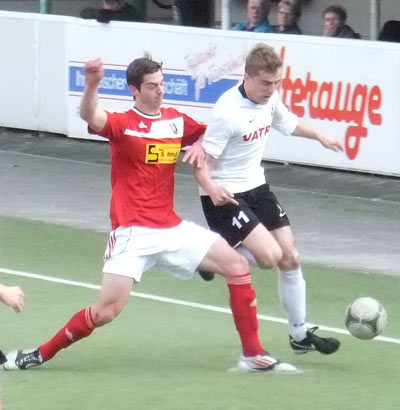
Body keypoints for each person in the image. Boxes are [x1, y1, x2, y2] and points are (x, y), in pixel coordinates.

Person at [3, 54, 296, 373]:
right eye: (152, 86)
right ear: (134, 90)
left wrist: (202, 144)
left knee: (237, 266)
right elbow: (90, 114)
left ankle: (252, 355)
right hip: (133, 232)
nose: (160, 90)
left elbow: (212, 136)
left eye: (162, 84)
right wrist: (91, 85)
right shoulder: (123, 124)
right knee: (105, 312)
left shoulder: (176, 121)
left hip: (171, 228)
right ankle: (39, 354)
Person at [194, 43, 342, 356]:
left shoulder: (270, 98)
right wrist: (211, 188)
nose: (272, 89)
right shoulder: (227, 112)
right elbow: (201, 163)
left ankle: (299, 336)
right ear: (247, 77)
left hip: (257, 188)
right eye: (265, 83)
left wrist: (320, 136)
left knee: (290, 257)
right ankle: (207, 254)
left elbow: (289, 123)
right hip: (225, 194)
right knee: (269, 257)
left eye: (277, 83)